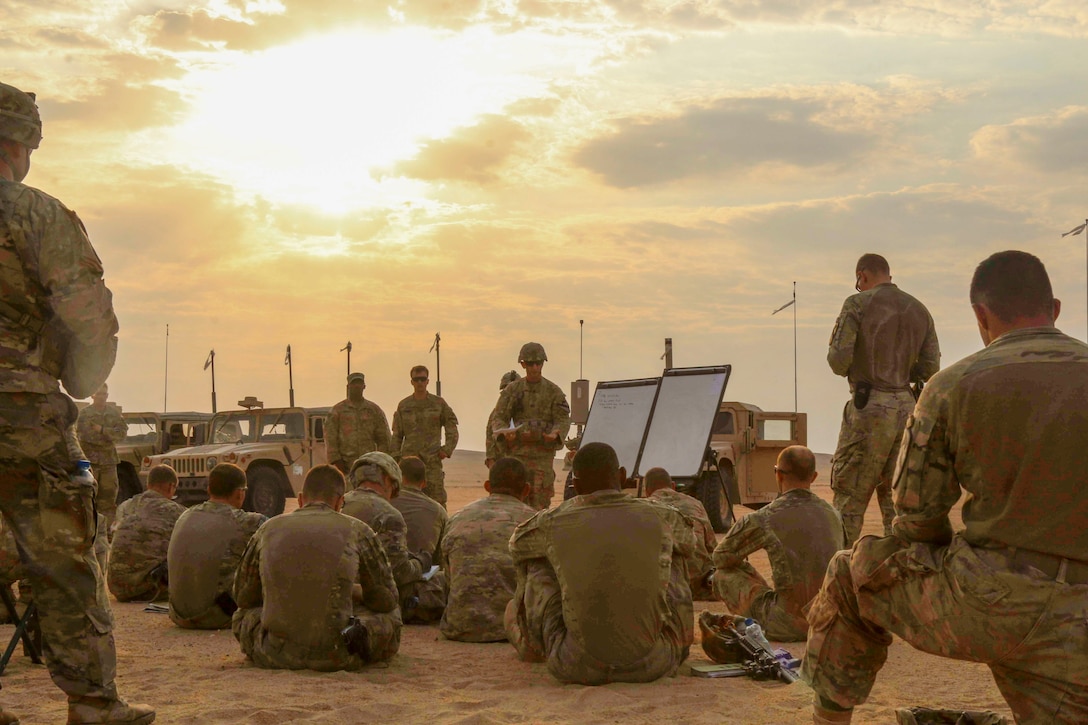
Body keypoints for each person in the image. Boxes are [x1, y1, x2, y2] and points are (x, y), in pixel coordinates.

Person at [804, 251, 1088, 724]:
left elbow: (917, 518)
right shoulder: (920, 318)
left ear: (981, 315)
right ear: (1054, 308)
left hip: (991, 603)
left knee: (849, 575)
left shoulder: (954, 386)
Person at [0, 81, 153, 724]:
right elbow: (88, 315)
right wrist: (80, 377)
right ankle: (92, 703)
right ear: (25, 142)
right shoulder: (36, 214)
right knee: (61, 556)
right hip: (22, 414)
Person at [505, 442, 695, 684]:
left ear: (578, 485)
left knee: (536, 562)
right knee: (674, 554)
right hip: (655, 662)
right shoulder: (663, 516)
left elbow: (516, 547)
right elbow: (690, 544)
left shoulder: (552, 522)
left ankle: (533, 646)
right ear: (622, 476)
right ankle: (682, 643)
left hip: (575, 664)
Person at [232, 464, 401, 670]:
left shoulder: (267, 529)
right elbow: (386, 600)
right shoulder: (359, 530)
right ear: (340, 502)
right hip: (339, 654)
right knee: (392, 616)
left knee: (242, 614)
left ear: (301, 499)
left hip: (273, 652)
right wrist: (355, 593)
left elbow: (242, 596)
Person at [828, 253, 940, 544]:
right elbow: (930, 368)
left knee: (849, 502)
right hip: (907, 408)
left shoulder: (857, 304)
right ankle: (898, 578)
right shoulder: (919, 309)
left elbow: (838, 360)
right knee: (898, 504)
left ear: (862, 276)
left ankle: (840, 580)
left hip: (869, 408)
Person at [710, 445, 846, 642]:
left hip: (788, 624)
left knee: (722, 575)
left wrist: (746, 570)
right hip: (830, 621)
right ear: (814, 477)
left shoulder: (765, 516)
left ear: (778, 475)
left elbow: (720, 557)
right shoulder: (834, 514)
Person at [341, 452, 445, 623]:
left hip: (340, 593)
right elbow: (399, 573)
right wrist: (420, 563)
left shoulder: (340, 502)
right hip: (371, 599)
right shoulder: (389, 515)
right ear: (389, 480)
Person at [440, 456, 535, 642]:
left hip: (459, 626)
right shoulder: (533, 522)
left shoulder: (458, 517)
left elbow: (449, 577)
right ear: (526, 489)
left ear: (487, 486)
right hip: (512, 629)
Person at [167, 463, 265, 630]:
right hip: (217, 615)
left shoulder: (185, 514)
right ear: (240, 493)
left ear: (209, 490)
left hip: (178, 614)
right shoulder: (249, 522)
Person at [487, 343, 570, 510]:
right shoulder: (512, 391)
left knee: (540, 509)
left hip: (542, 461)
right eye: (531, 363)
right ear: (523, 364)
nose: (535, 367)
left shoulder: (554, 392)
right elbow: (498, 418)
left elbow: (563, 419)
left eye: (538, 363)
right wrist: (504, 434)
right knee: (515, 508)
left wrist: (555, 434)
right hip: (517, 460)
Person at [107, 464, 183, 603]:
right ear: (170, 486)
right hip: (150, 589)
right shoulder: (175, 511)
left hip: (117, 587)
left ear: (148, 484)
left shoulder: (126, 506)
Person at [643, 467, 717, 600]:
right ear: (673, 486)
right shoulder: (695, 504)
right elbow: (712, 546)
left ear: (647, 491)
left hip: (666, 586)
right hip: (699, 584)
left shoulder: (644, 508)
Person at [390, 365, 459, 507]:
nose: (420, 382)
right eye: (416, 379)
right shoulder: (404, 406)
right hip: (409, 463)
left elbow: (452, 424)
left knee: (437, 502)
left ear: (428, 381)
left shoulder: (438, 404)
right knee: (406, 501)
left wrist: (447, 449)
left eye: (423, 379)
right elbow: (397, 434)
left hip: (432, 462)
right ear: (412, 382)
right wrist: (396, 457)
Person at [76, 383, 127, 529]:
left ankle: (106, 531)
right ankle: (87, 531)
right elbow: (85, 436)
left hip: (108, 463)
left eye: (104, 394)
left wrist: (102, 430)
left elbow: (122, 434)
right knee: (86, 497)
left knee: (109, 499)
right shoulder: (85, 414)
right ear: (93, 395)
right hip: (88, 463)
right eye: (99, 394)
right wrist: (109, 435)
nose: (102, 397)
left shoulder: (114, 414)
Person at [325, 372, 390, 474]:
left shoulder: (374, 410)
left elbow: (384, 439)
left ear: (364, 386)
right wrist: (336, 461)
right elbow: (330, 439)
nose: (356, 386)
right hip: (345, 467)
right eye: (353, 383)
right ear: (348, 386)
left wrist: (379, 461)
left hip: (369, 466)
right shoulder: (337, 411)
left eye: (359, 383)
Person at [390, 456, 447, 563]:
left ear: (398, 478)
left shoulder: (383, 502)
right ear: (424, 483)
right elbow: (442, 556)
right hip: (421, 573)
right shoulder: (438, 511)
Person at [484, 369, 520, 469]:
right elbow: (490, 438)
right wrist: (491, 460)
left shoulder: (528, 412)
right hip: (502, 462)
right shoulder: (496, 413)